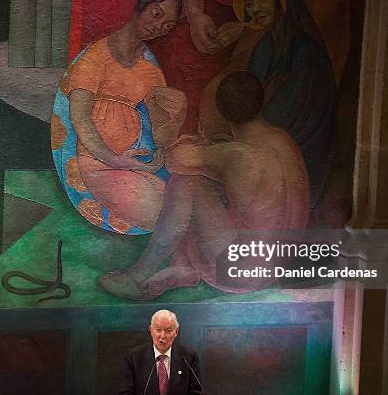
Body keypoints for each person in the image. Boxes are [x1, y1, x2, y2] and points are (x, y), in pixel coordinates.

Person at [99, 71, 309, 300]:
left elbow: (176, 160)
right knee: (207, 181)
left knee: (186, 183)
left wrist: (184, 133)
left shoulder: (236, 154)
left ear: (221, 111)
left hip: (240, 271)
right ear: (260, 103)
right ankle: (182, 267)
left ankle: (137, 276)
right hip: (278, 266)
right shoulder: (282, 139)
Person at [50, 0, 187, 235]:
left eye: (167, 26)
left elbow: (160, 135)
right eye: (156, 14)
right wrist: (115, 159)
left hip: (135, 161)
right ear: (142, 6)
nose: (158, 27)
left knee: (182, 205)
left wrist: (176, 119)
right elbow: (79, 118)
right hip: (98, 162)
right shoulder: (95, 57)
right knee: (162, 215)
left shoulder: (150, 70)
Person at [199, 0, 338, 207]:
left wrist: (233, 144)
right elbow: (247, 96)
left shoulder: (304, 51)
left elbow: (285, 109)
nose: (255, 9)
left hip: (302, 143)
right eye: (248, 3)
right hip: (263, 139)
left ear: (281, 2)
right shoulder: (267, 44)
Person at [118, 309, 203, 394]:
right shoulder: (133, 357)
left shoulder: (189, 357)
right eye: (158, 330)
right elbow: (125, 392)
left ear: (176, 332)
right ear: (151, 330)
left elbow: (196, 392)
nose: (163, 336)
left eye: (168, 330)